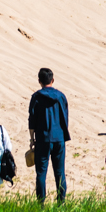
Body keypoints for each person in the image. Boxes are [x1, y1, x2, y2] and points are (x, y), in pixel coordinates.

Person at [26, 67, 69, 204]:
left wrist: (32, 139)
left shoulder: (36, 97)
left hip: (43, 139)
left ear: (39, 81)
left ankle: (41, 204)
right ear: (53, 80)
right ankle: (61, 203)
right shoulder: (61, 96)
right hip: (59, 138)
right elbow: (65, 117)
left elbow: (31, 121)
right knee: (60, 172)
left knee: (41, 173)